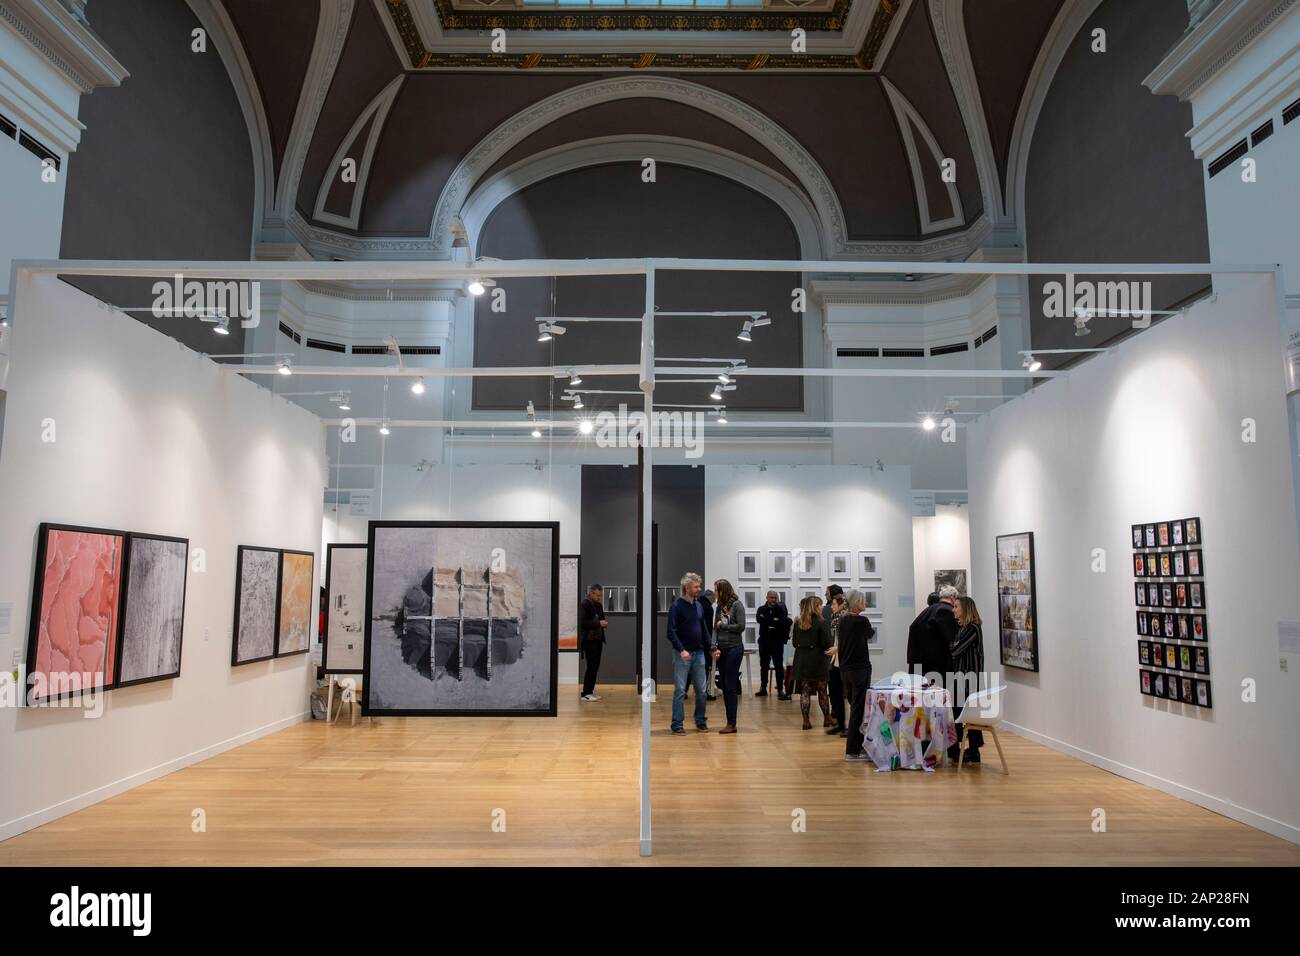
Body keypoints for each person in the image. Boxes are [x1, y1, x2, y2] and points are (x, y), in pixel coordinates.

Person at [667, 572, 715, 735]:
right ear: (687, 588)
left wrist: (712, 648)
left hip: (699, 653)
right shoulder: (676, 606)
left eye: (699, 586)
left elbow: (704, 630)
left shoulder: (699, 605)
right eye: (696, 587)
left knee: (702, 690)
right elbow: (671, 632)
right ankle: (677, 724)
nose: (699, 589)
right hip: (683, 654)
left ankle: (700, 721)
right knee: (680, 690)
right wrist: (681, 650)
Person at [837, 590, 875, 760]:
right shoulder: (862, 620)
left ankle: (855, 748)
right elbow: (870, 635)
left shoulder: (843, 620)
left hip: (845, 670)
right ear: (857, 602)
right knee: (858, 711)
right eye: (863, 601)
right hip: (859, 669)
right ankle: (853, 751)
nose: (865, 603)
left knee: (855, 708)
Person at [948, 595, 986, 763]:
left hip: (970, 678)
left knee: (964, 713)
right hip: (961, 677)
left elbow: (955, 650)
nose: (953, 610)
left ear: (965, 609)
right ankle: (966, 750)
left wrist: (954, 646)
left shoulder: (973, 628)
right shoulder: (962, 628)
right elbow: (953, 646)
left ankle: (966, 750)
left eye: (956, 606)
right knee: (962, 713)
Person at [790, 596, 833, 730]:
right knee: (822, 691)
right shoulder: (822, 622)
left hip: (802, 659)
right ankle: (826, 718)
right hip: (818, 659)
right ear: (815, 607)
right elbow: (827, 643)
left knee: (805, 691)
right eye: (820, 605)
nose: (822, 608)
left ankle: (806, 721)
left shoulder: (798, 622)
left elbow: (794, 642)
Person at [712, 579, 746, 735]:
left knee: (730, 685)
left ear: (723, 590)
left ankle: (732, 723)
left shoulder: (737, 605)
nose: (715, 593)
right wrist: (714, 646)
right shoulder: (719, 607)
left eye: (717, 590)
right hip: (722, 649)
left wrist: (722, 626)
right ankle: (729, 721)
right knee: (724, 686)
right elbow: (715, 628)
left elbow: (741, 626)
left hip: (734, 648)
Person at [907, 585, 958, 685]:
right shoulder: (946, 611)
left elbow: (912, 628)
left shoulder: (928, 610)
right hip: (936, 666)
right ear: (953, 597)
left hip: (920, 664)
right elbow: (952, 639)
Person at [754, 590, 790, 697]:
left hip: (777, 642)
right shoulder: (761, 609)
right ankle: (763, 688)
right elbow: (759, 619)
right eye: (771, 597)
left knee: (778, 666)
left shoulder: (780, 609)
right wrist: (773, 621)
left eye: (775, 598)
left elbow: (783, 622)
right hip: (764, 642)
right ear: (767, 598)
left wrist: (769, 620)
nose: (773, 600)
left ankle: (780, 689)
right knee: (764, 666)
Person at [578, 584, 607, 701]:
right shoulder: (584, 604)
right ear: (591, 593)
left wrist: (602, 623)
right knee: (591, 666)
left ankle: (590, 691)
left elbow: (601, 619)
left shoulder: (598, 605)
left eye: (600, 595)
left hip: (598, 639)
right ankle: (586, 693)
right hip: (589, 640)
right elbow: (583, 623)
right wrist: (598, 623)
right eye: (598, 595)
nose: (599, 597)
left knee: (595, 666)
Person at [825, 592, 848, 735]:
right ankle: (840, 724)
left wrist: (837, 649)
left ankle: (846, 726)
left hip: (844, 660)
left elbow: (848, 640)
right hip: (835, 660)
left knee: (845, 694)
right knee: (835, 694)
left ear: (841, 605)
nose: (831, 607)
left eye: (833, 604)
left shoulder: (845, 618)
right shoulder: (835, 618)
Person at [700, 588, 718, 701]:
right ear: (710, 597)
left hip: (694, 641)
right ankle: (703, 693)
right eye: (714, 598)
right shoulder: (708, 608)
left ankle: (684, 691)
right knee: (705, 667)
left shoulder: (696, 603)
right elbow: (707, 628)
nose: (715, 600)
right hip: (704, 642)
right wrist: (711, 642)